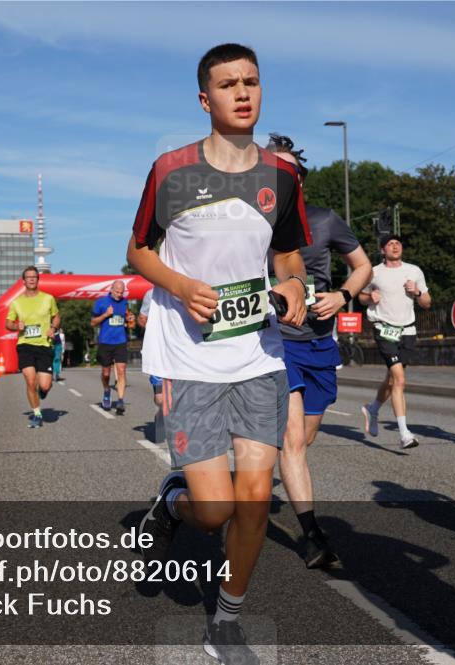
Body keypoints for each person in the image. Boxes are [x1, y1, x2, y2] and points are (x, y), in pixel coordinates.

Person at [129, 43, 310, 665]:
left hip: (258, 353)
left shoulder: (281, 176)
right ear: (205, 100)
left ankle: (226, 623)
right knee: (213, 512)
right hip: (189, 357)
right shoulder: (171, 169)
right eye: (228, 84)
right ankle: (173, 502)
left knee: (254, 496)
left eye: (251, 81)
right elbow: (138, 250)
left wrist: (293, 284)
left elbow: (288, 253)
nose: (242, 92)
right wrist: (182, 287)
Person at [265, 132, 373, 569]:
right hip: (276, 343)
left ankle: (252, 469)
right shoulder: (251, 226)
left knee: (302, 441)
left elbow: (363, 266)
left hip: (319, 343)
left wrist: (343, 296)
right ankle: (312, 535)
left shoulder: (325, 220)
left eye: (289, 171)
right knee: (292, 440)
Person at [359, 235, 432, 450]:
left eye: (398, 243)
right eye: (390, 244)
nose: (395, 246)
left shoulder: (414, 271)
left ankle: (372, 409)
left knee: (392, 380)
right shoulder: (373, 272)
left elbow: (427, 302)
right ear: (383, 250)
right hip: (384, 329)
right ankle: (404, 434)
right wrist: (369, 297)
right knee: (399, 379)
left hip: (408, 330)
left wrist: (417, 292)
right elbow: (361, 297)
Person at [6, 266, 60, 429]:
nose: (31, 279)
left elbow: (56, 317)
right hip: (25, 345)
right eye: (28, 277)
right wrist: (16, 326)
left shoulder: (48, 299)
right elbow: (8, 323)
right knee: (30, 381)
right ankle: (37, 414)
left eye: (34, 277)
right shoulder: (17, 302)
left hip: (44, 346)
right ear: (23, 281)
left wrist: (53, 328)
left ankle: (43, 390)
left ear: (38, 279)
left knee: (44, 385)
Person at [91, 280, 131, 414]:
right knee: (106, 373)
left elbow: (127, 320)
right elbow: (93, 322)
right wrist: (105, 315)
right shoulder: (101, 302)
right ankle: (107, 390)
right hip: (105, 342)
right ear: (111, 289)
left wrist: (130, 320)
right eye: (117, 292)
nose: (119, 295)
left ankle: (120, 400)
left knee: (121, 370)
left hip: (120, 341)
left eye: (121, 292)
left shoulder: (125, 302)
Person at [137, 288, 163, 410]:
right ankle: (162, 415)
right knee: (160, 398)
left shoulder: (185, 288)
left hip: (180, 350)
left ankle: (170, 417)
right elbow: (142, 319)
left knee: (180, 395)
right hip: (159, 351)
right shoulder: (152, 293)